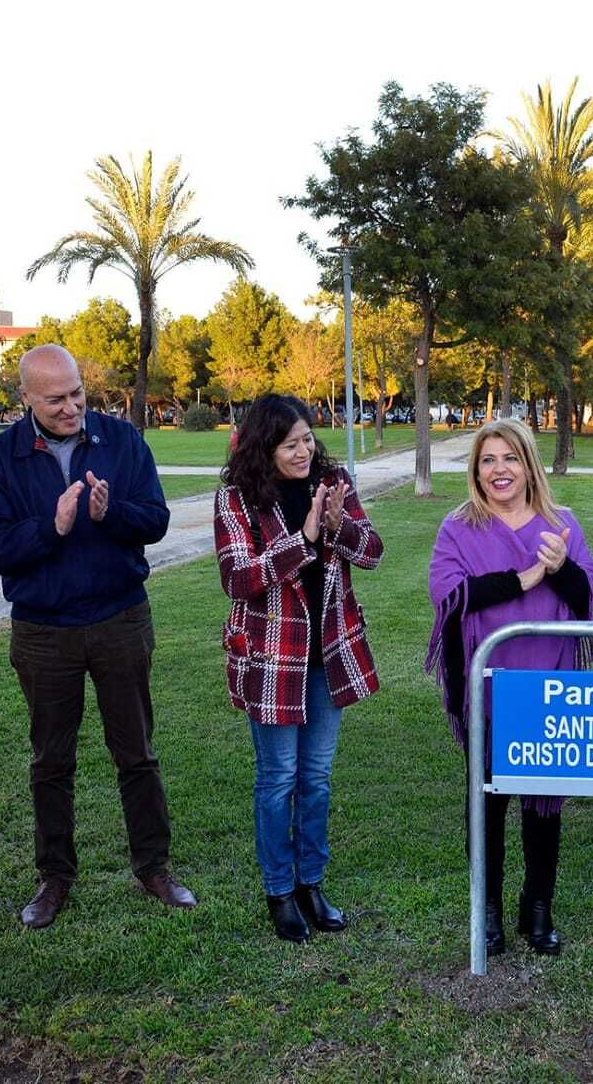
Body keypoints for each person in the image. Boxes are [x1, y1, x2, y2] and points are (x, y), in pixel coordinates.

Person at [0, 344, 195, 930]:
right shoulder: (1, 459)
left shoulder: (121, 441)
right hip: (43, 631)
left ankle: (153, 867)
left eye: (77, 394)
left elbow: (156, 519)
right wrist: (52, 527)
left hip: (121, 618)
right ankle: (55, 877)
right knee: (51, 759)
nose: (72, 407)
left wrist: (109, 512)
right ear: (25, 398)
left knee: (137, 753)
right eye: (55, 399)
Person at [428, 418, 593, 956]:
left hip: (547, 691)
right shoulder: (458, 528)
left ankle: (538, 908)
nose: (498, 470)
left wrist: (559, 568)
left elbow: (591, 591)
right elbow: (449, 593)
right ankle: (488, 911)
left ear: (528, 465)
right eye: (488, 460)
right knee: (486, 804)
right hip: (486, 691)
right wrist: (525, 579)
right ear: (476, 471)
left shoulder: (562, 524)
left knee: (542, 804)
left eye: (509, 459)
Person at [214, 394, 382, 942]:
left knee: (317, 778)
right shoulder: (236, 497)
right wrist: (304, 538)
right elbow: (239, 580)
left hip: (326, 656)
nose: (304, 451)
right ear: (265, 447)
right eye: (290, 444)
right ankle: (279, 892)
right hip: (271, 659)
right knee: (278, 778)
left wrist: (336, 525)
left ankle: (312, 883)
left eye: (308, 438)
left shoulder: (332, 482)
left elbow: (373, 551)